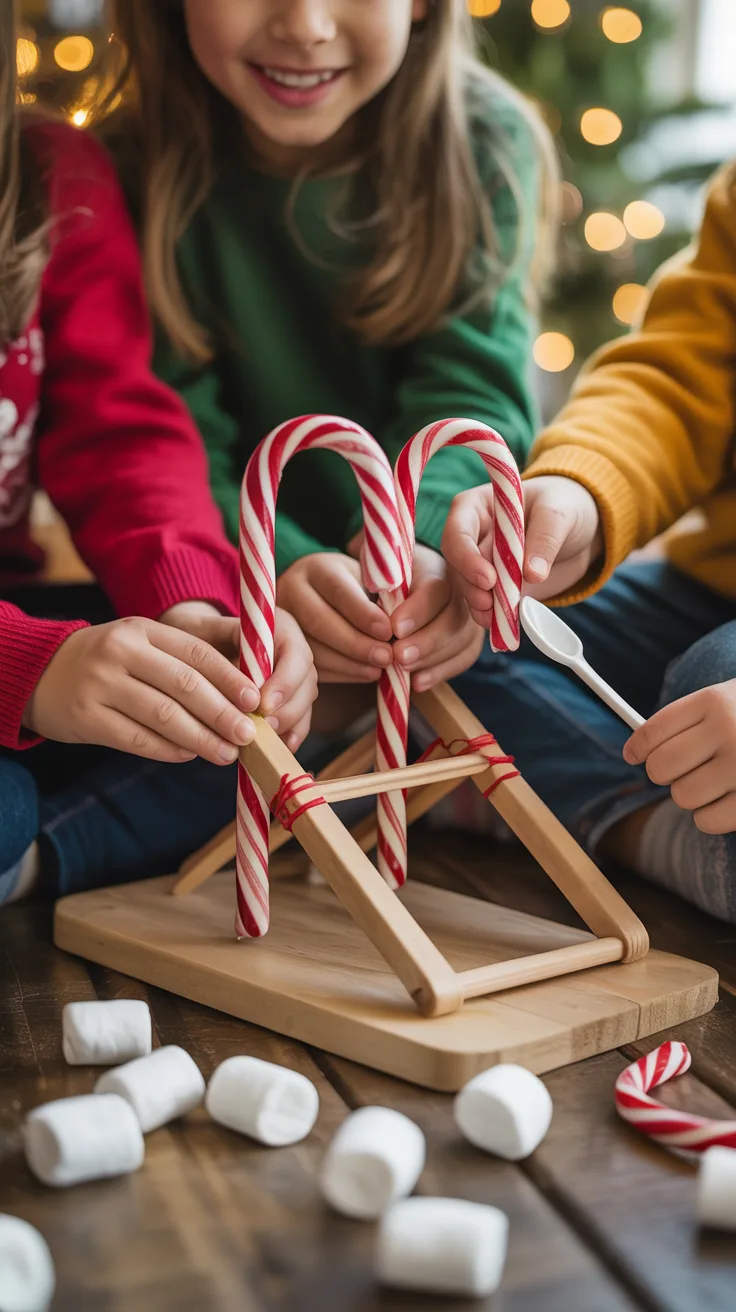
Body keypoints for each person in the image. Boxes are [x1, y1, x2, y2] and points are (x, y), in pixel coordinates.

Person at [101, 0, 557, 711]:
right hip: (233, 607)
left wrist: (426, 544)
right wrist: (273, 565)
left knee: (530, 691)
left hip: (421, 590)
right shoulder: (115, 173)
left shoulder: (482, 142)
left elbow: (471, 392)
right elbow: (158, 444)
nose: (306, 26)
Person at [0, 0, 317, 907]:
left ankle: (30, 852)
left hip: (19, 612)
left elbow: (121, 433)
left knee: (288, 723)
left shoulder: (50, 173)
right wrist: (28, 670)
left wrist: (189, 606)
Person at [444, 160, 736, 924]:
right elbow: (675, 380)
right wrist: (583, 493)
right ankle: (654, 828)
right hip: (708, 586)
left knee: (711, 675)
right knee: (457, 626)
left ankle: (548, 789)